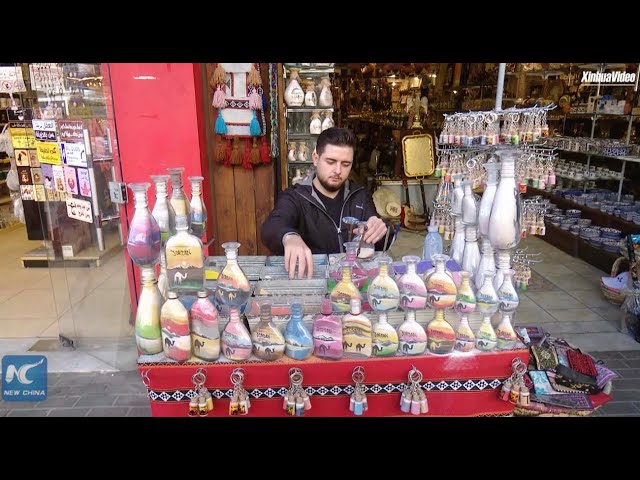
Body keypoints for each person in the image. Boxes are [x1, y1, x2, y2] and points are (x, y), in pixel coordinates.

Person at [261, 127, 389, 279]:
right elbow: (272, 226)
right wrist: (289, 237)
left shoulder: (359, 195)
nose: (338, 170)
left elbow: (378, 241)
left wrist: (381, 229)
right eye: (331, 161)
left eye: (346, 164)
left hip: (352, 283)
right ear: (315, 158)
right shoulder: (296, 196)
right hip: (311, 281)